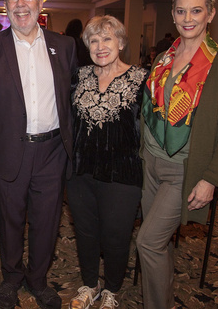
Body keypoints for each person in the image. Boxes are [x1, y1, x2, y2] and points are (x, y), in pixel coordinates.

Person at [136, 0, 218, 309]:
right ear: (173, 14)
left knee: (148, 242)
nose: (188, 18)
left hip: (183, 169)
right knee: (162, 242)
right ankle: (163, 299)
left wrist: (211, 177)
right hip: (150, 164)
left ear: (210, 14)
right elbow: (150, 109)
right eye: (181, 11)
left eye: (196, 11)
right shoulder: (164, 58)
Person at [0, 0, 77, 309]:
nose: (21, 4)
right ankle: (11, 277)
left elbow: (72, 100)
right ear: (5, 6)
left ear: (40, 2)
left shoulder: (64, 46)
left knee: (47, 221)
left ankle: (38, 280)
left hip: (52, 152)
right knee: (10, 220)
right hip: (8, 152)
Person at [68, 16, 148, 309]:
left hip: (123, 174)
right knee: (86, 233)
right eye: (94, 40)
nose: (100, 47)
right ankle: (90, 284)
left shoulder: (142, 80)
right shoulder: (78, 76)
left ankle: (112, 289)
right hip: (81, 171)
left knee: (116, 236)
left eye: (108, 39)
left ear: (122, 43)